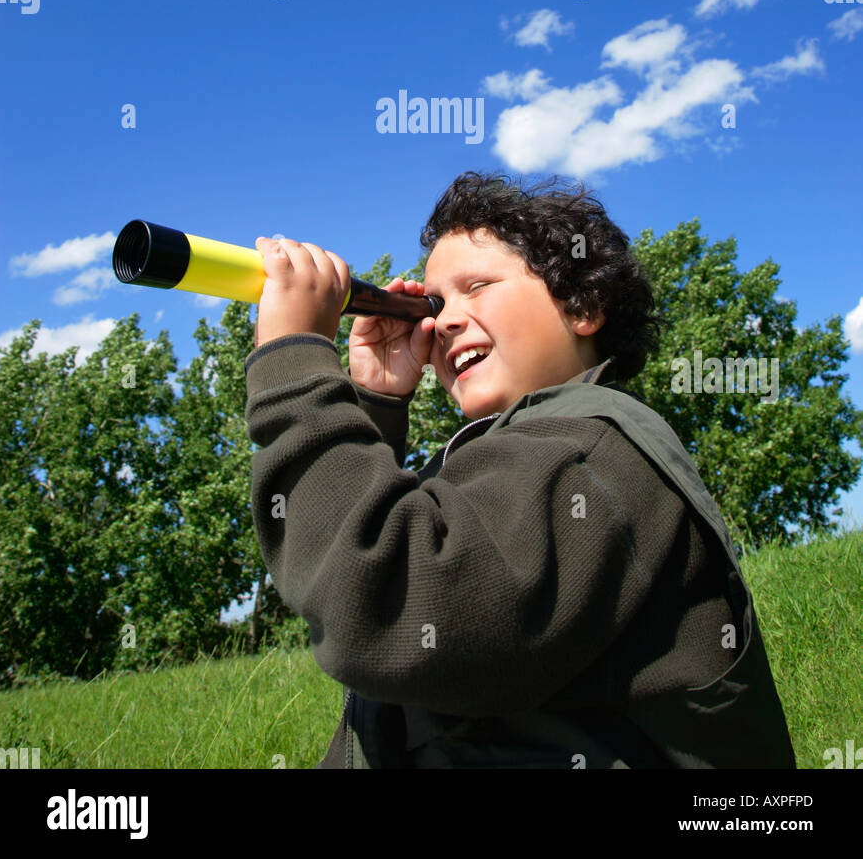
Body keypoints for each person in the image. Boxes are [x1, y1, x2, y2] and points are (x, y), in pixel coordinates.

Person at [244, 171, 796, 769]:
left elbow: (387, 604)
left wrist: (295, 364)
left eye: (476, 286)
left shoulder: (591, 454)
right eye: (433, 304)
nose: (443, 322)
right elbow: (342, 569)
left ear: (582, 305)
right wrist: (374, 404)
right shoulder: (509, 458)